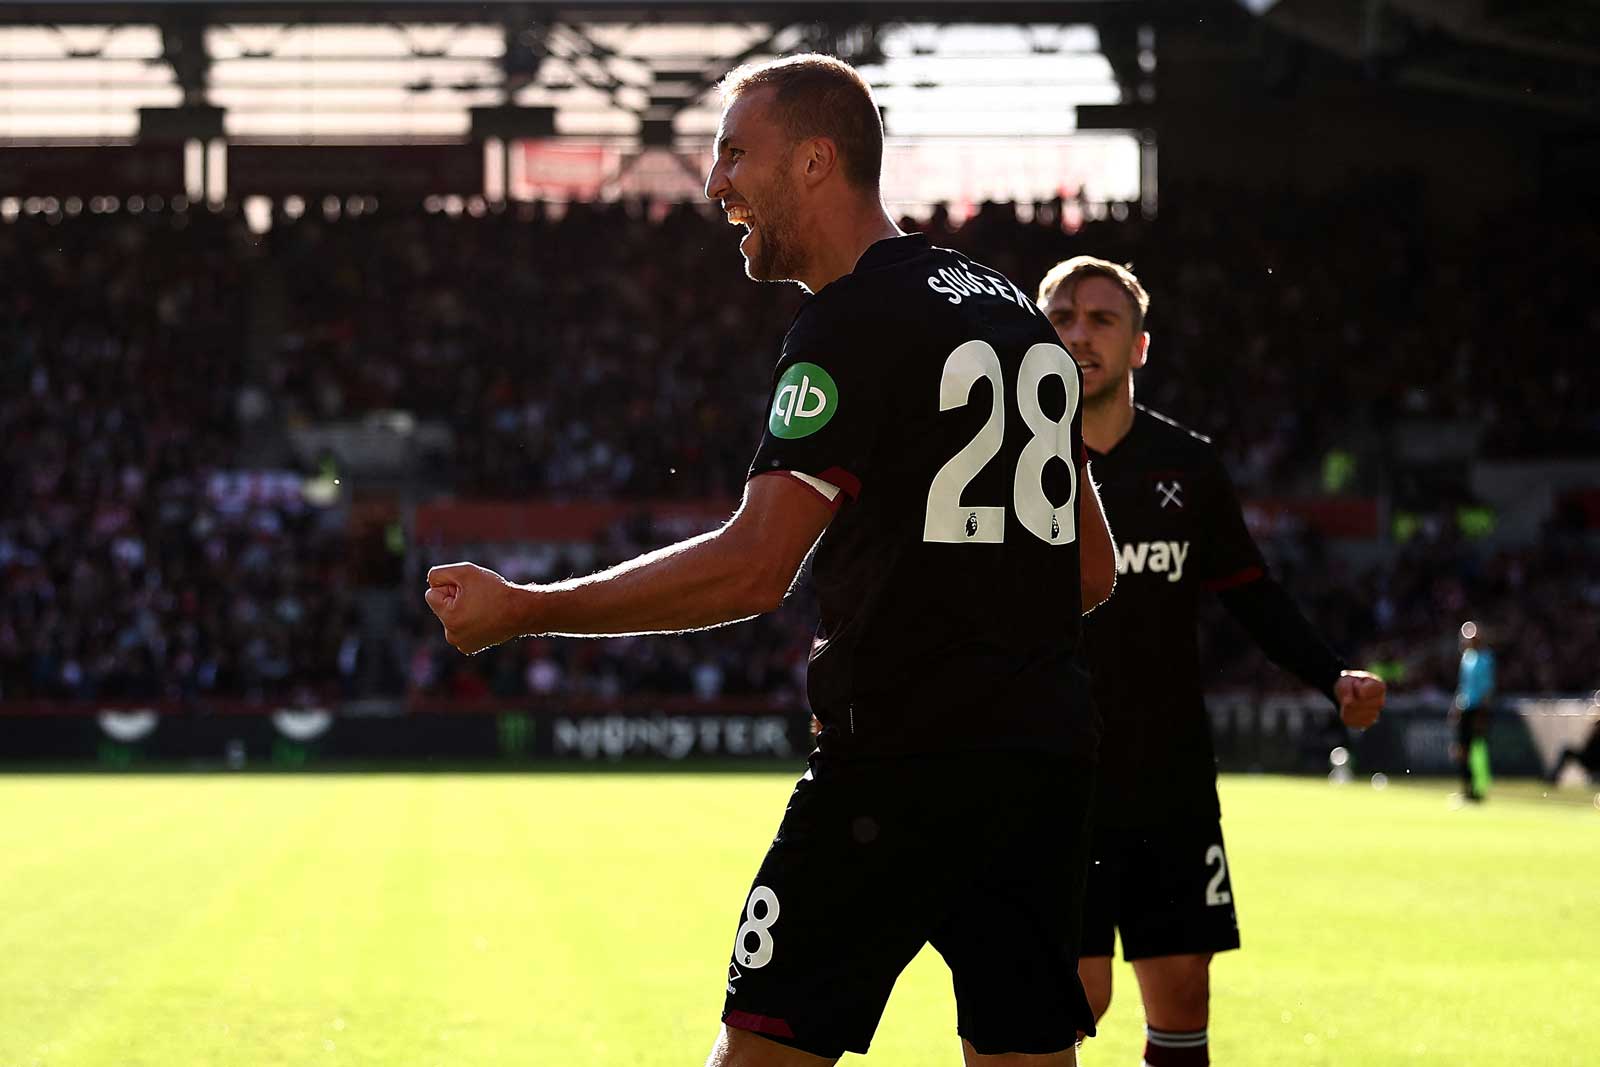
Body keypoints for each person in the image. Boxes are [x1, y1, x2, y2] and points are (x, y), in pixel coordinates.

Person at [425, 55, 1117, 1067]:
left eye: (735, 155)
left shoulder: (847, 322)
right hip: (1041, 764)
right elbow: (1091, 570)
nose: (714, 185)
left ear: (815, 161)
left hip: (896, 763)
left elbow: (753, 569)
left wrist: (526, 607)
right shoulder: (1009, 308)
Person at [1035, 256, 1387, 1067]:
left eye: (1101, 318)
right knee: (1074, 995)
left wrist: (1330, 674)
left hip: (1171, 778)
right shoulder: (1008, 468)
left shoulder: (1187, 465)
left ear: (1140, 347)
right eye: (1060, 318)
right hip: (1056, 778)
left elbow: (1251, 590)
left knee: (1183, 996)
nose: (1079, 333)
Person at [1452, 620, 1495, 802]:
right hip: (1465, 708)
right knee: (1461, 750)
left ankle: (1478, 790)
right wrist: (1456, 706)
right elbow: (1463, 686)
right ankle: (1466, 789)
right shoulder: (1466, 658)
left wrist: (1483, 713)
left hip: (1477, 709)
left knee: (1476, 750)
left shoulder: (1486, 658)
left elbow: (1487, 687)